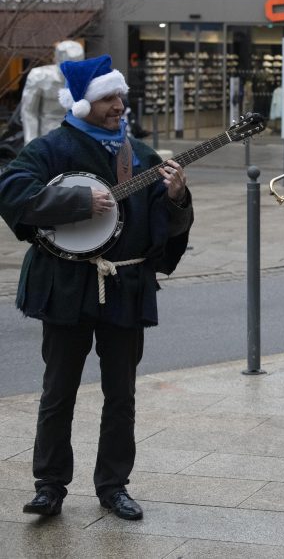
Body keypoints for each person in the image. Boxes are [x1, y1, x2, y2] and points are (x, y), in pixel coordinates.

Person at [0, 54, 193, 521]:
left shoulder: (141, 156)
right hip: (66, 284)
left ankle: (113, 485)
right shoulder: (52, 149)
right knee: (58, 390)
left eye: (120, 96)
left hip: (123, 282)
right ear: (84, 103)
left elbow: (164, 229)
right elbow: (11, 189)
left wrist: (176, 198)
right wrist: (77, 200)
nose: (119, 105)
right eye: (108, 97)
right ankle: (49, 484)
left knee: (121, 394)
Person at [19, 40, 85, 145]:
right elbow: (29, 112)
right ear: (57, 60)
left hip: (77, 138)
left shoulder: (87, 79)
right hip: (48, 137)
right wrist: (31, 143)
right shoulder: (39, 77)